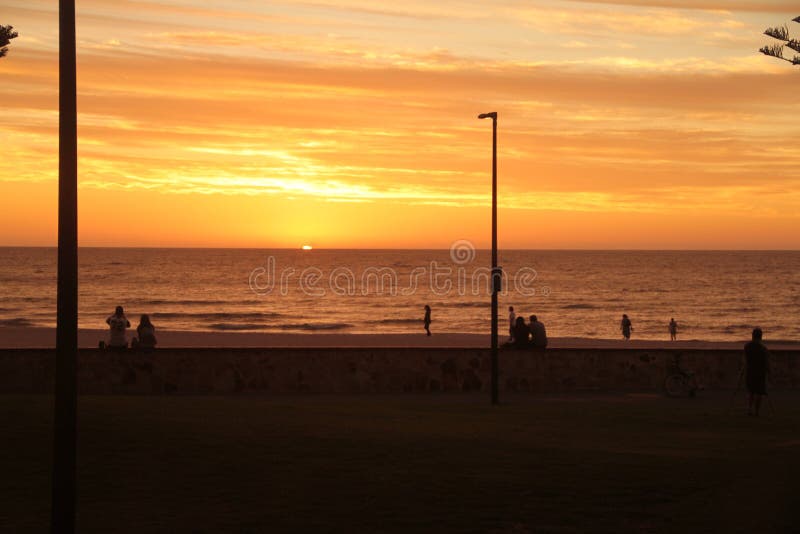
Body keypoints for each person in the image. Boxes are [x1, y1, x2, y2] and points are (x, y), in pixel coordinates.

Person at [744, 328, 769, 416]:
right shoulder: (763, 349)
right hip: (760, 372)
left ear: (752, 336)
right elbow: (766, 362)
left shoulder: (747, 346)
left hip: (750, 371)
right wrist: (768, 371)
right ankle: (756, 411)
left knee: (750, 391)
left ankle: (749, 409)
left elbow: (746, 359)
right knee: (759, 392)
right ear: (761, 336)